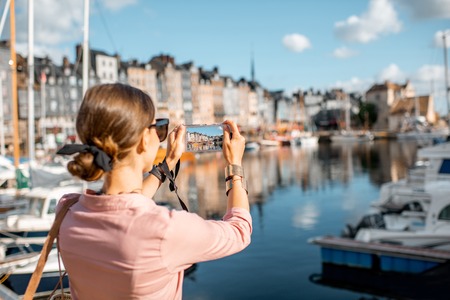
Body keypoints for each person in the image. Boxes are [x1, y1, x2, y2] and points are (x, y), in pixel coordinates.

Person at [56, 83, 252, 299]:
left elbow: (122, 208)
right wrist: (234, 165)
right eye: (158, 127)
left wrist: (167, 163)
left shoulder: (67, 210)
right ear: (143, 140)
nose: (161, 133)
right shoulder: (165, 229)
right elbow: (240, 231)